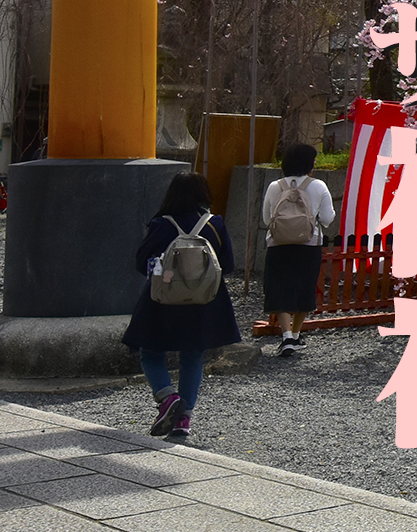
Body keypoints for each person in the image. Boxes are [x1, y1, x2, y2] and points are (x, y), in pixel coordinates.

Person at [121, 172, 240, 442]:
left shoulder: (162, 225)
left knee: (150, 353)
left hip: (163, 301)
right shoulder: (214, 224)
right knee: (192, 356)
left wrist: (168, 273)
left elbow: (143, 263)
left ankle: (167, 397)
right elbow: (228, 265)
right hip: (204, 302)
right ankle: (183, 419)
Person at [260, 144, 336, 357]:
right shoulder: (318, 186)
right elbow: (328, 219)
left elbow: (267, 219)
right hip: (309, 245)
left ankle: (286, 337)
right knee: (304, 288)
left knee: (279, 288)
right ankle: (295, 334)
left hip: (278, 244)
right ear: (309, 163)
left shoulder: (275, 186)